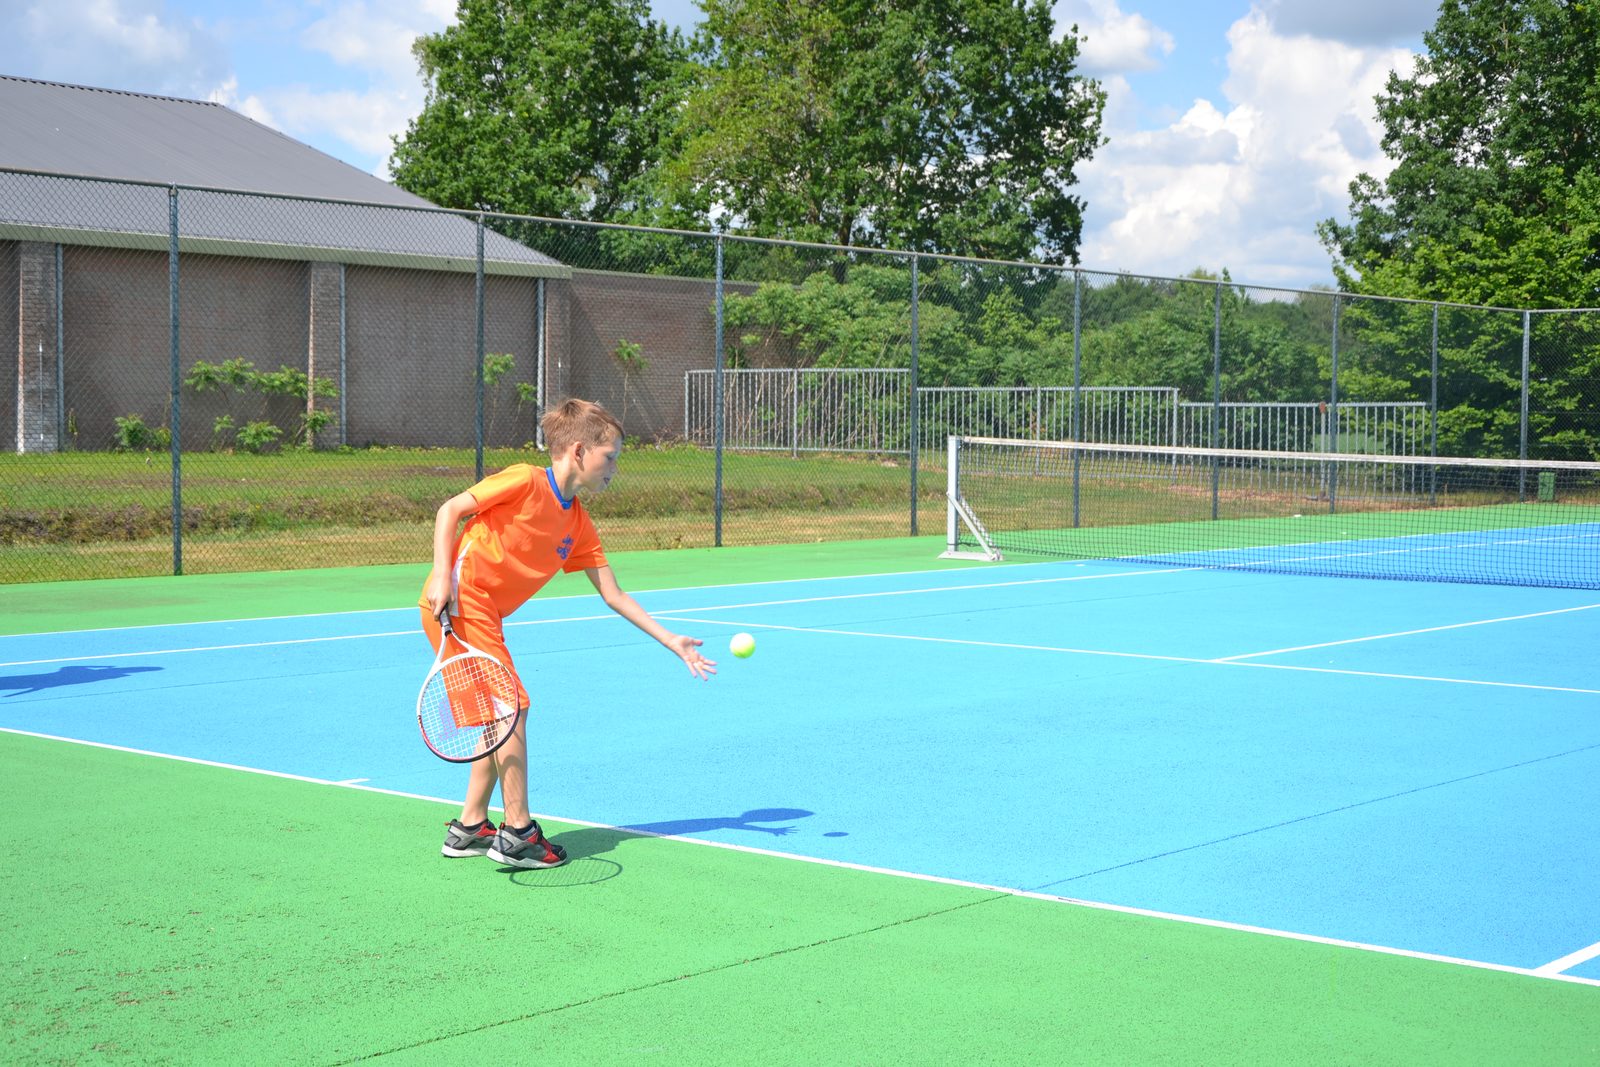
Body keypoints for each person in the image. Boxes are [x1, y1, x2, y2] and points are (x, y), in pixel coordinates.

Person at [419, 398, 716, 868]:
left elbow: (614, 594)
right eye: (610, 457)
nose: (615, 469)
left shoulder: (577, 523)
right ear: (578, 451)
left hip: (484, 614)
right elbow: (449, 509)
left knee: (498, 719)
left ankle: (470, 827)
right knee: (512, 710)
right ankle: (519, 835)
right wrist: (440, 574)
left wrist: (670, 640)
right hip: (459, 603)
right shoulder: (524, 480)